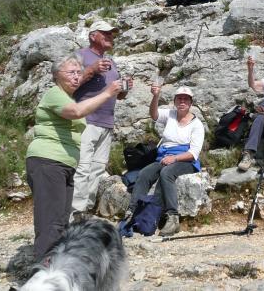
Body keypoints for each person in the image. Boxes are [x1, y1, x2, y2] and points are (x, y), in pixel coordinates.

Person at [26, 54, 122, 261]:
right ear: (56, 75)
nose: (76, 77)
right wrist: (107, 93)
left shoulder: (66, 96)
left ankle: (55, 267)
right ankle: (42, 271)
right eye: (71, 73)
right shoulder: (54, 94)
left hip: (64, 165)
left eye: (79, 73)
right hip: (47, 162)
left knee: (61, 221)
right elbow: (76, 111)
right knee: (50, 222)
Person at [71, 20, 132, 220]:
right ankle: (74, 212)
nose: (110, 37)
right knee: (82, 167)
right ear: (92, 36)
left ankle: (85, 210)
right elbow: (68, 85)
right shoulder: (80, 56)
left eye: (112, 34)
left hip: (106, 122)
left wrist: (125, 88)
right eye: (105, 33)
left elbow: (118, 96)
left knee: (97, 169)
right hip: (86, 120)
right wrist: (91, 70)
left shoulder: (111, 62)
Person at [125, 86, 205, 237]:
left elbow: (193, 153)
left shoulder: (197, 125)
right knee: (144, 174)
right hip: (164, 157)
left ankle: (172, 217)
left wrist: (174, 158)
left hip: (185, 159)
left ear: (191, 103)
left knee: (167, 173)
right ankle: (132, 211)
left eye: (186, 99)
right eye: (179, 98)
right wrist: (156, 96)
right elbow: (154, 115)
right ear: (174, 101)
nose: (182, 101)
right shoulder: (170, 115)